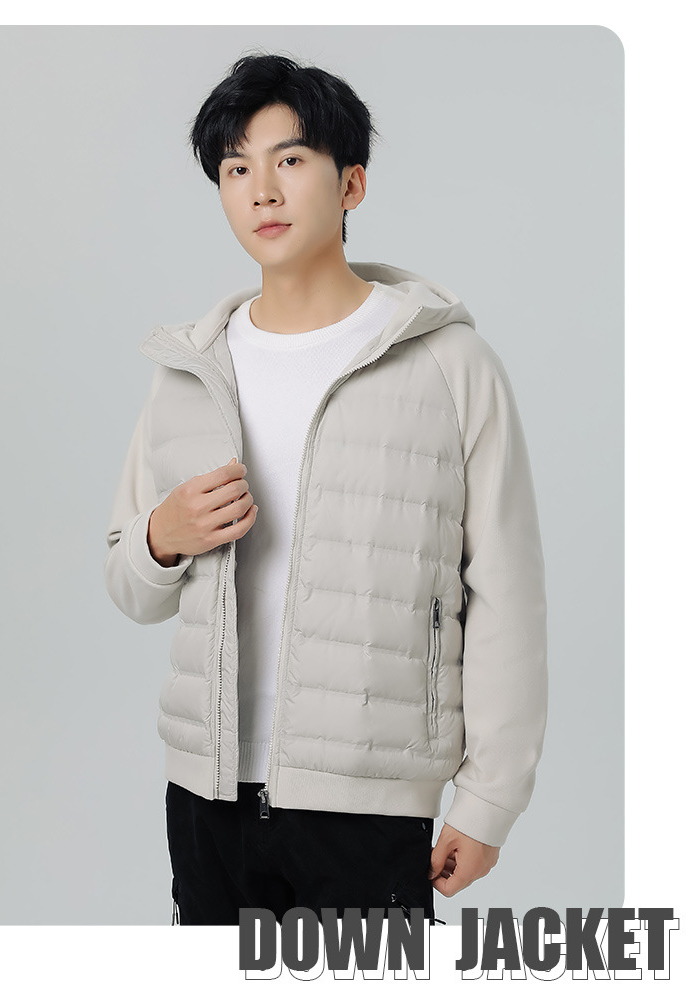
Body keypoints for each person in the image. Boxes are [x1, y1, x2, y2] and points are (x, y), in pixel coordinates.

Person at [104, 52, 548, 927]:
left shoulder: (449, 364)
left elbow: (507, 590)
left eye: (290, 159)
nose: (262, 190)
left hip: (369, 797)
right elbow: (129, 582)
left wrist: (490, 797)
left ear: (351, 184)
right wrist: (162, 535)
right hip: (205, 795)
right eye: (236, 169)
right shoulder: (190, 371)